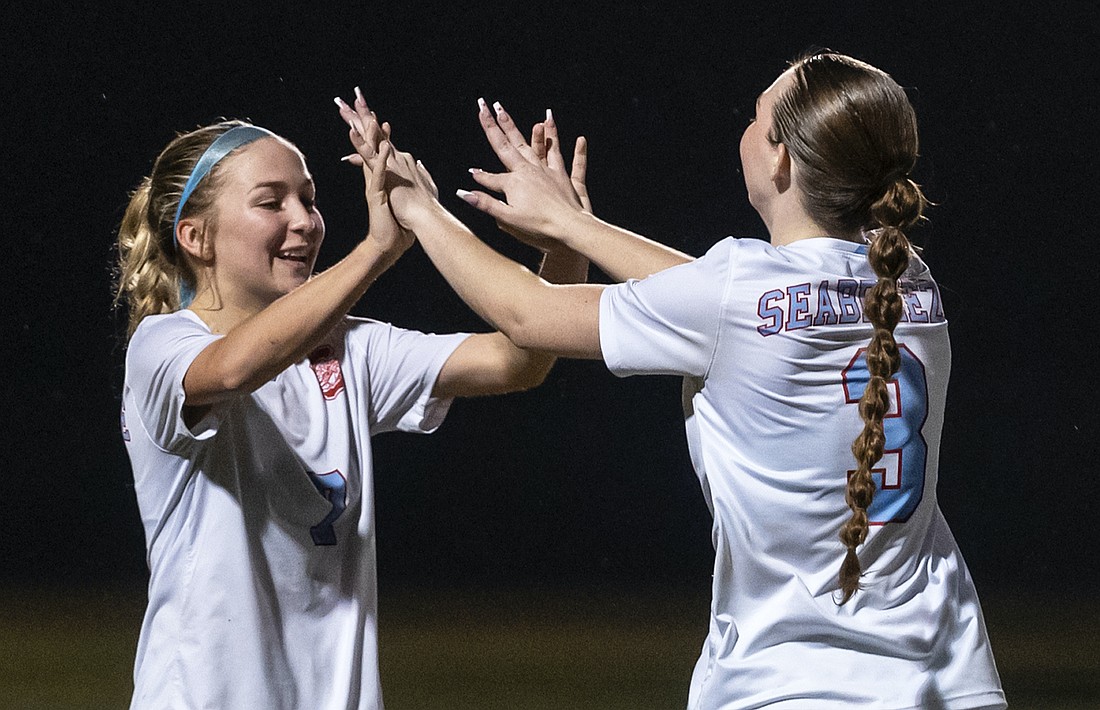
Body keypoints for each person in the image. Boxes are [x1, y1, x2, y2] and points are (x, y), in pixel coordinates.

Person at [364, 51, 1007, 708]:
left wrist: (418, 209)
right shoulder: (910, 281)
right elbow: (721, 301)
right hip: (947, 678)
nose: (746, 129)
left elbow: (528, 315)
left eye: (757, 119)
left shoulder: (738, 295)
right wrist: (573, 227)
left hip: (791, 685)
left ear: (781, 159)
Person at [113, 90, 587, 709]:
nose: (306, 221)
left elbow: (519, 360)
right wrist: (374, 251)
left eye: (309, 199)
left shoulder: (348, 349)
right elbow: (231, 371)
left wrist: (565, 238)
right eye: (270, 202)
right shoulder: (164, 345)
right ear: (196, 237)